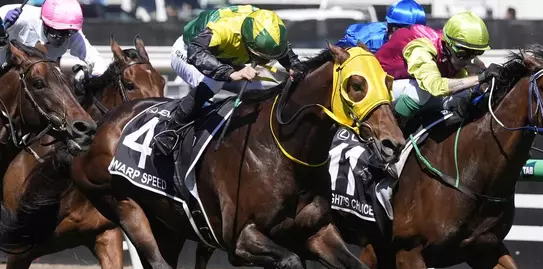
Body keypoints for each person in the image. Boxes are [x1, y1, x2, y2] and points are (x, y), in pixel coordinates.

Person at [154, 5, 303, 156]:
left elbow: (279, 48)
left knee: (256, 87)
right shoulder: (224, 29)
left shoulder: (267, 25)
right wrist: (230, 73)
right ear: (247, 41)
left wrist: (294, 65)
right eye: (260, 57)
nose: (263, 61)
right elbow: (196, 52)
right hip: (188, 51)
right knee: (213, 82)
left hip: (221, 56)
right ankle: (169, 130)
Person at [375, 11, 501, 126]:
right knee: (421, 90)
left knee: (467, 93)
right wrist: (480, 77)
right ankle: (394, 129)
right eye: (463, 53)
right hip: (376, 90)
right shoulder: (422, 48)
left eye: (476, 53)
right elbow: (435, 87)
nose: (468, 60)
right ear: (447, 44)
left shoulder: (450, 49)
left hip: (400, 88)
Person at [0, 0, 108, 90]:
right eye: (56, 32)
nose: (61, 38)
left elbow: (96, 59)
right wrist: (3, 31)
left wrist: (96, 77)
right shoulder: (16, 19)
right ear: (44, 22)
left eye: (67, 33)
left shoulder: (71, 32)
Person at [335, 0, 426, 53]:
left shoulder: (427, 42)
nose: (408, 38)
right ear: (388, 27)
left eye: (415, 32)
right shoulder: (365, 39)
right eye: (404, 31)